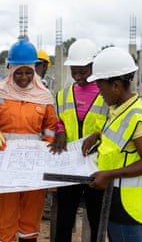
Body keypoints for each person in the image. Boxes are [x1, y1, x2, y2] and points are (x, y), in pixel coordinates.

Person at [0, 38, 58, 242]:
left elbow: (51, 124)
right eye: (19, 72)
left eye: (28, 72)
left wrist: (47, 142)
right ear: (10, 69)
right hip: (4, 165)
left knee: (30, 218)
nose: (24, 77)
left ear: (35, 69)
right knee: (4, 217)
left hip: (33, 166)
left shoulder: (44, 96)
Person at [82, 47, 142, 242]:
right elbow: (120, 140)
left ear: (116, 86)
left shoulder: (138, 117)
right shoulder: (120, 110)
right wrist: (97, 135)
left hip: (128, 204)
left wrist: (108, 174)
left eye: (101, 88)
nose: (100, 94)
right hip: (116, 197)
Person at [48, 39, 108, 242]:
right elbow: (58, 119)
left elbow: (113, 124)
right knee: (64, 217)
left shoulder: (107, 95)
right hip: (70, 165)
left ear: (95, 66)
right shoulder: (63, 95)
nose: (79, 77)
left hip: (96, 166)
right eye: (75, 72)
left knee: (96, 217)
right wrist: (60, 131)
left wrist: (98, 136)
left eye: (84, 71)